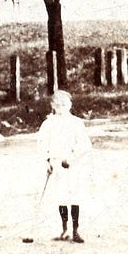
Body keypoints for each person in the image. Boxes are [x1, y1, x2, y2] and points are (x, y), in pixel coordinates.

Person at [38, 89, 91, 243]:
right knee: (61, 196)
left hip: (73, 163)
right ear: (52, 105)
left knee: (74, 195)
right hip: (56, 163)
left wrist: (72, 157)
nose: (61, 106)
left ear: (70, 105)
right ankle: (64, 229)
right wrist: (47, 161)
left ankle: (75, 230)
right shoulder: (48, 124)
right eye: (58, 104)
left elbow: (84, 144)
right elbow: (42, 144)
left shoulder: (76, 123)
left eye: (64, 103)